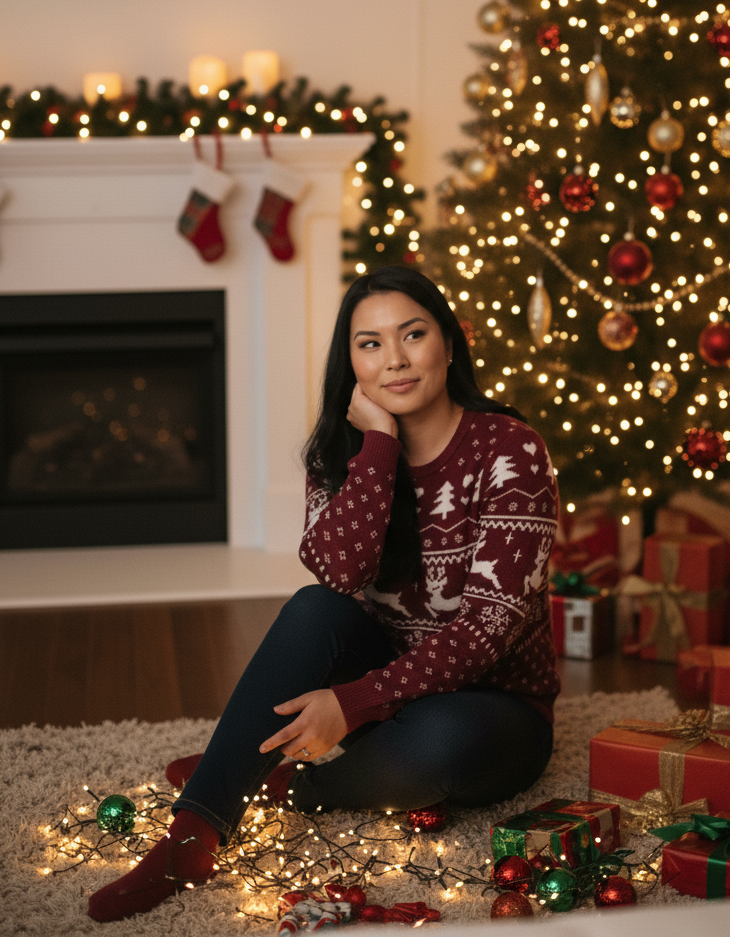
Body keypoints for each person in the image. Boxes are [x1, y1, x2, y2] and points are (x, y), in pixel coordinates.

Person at [88, 266, 560, 923]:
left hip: (494, 710)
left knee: (438, 739)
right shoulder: (344, 455)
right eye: (369, 344)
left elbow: (488, 631)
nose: (393, 359)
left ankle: (297, 783)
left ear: (449, 345)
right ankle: (192, 835)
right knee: (313, 611)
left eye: (412, 335)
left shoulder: (512, 451)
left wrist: (353, 701)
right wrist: (380, 448)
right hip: (388, 675)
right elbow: (337, 575)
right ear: (352, 363)